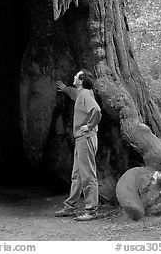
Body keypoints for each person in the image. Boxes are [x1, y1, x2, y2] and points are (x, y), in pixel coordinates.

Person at [54, 69, 101, 221]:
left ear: (81, 81)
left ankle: (91, 210)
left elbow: (96, 110)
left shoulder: (86, 95)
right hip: (81, 139)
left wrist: (89, 125)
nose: (73, 77)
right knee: (77, 175)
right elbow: (74, 94)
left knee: (88, 175)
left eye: (76, 76)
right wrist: (66, 89)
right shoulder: (81, 94)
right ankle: (70, 207)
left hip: (86, 138)